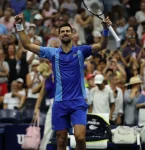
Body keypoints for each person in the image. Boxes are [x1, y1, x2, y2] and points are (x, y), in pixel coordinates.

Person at [14, 13, 111, 150]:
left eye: (67, 31)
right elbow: (27, 45)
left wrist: (105, 29)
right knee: (61, 139)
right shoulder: (52, 52)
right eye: (62, 32)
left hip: (78, 101)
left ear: (72, 33)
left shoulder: (81, 51)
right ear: (59, 35)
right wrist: (19, 25)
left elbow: (102, 45)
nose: (65, 33)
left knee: (80, 137)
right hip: (60, 103)